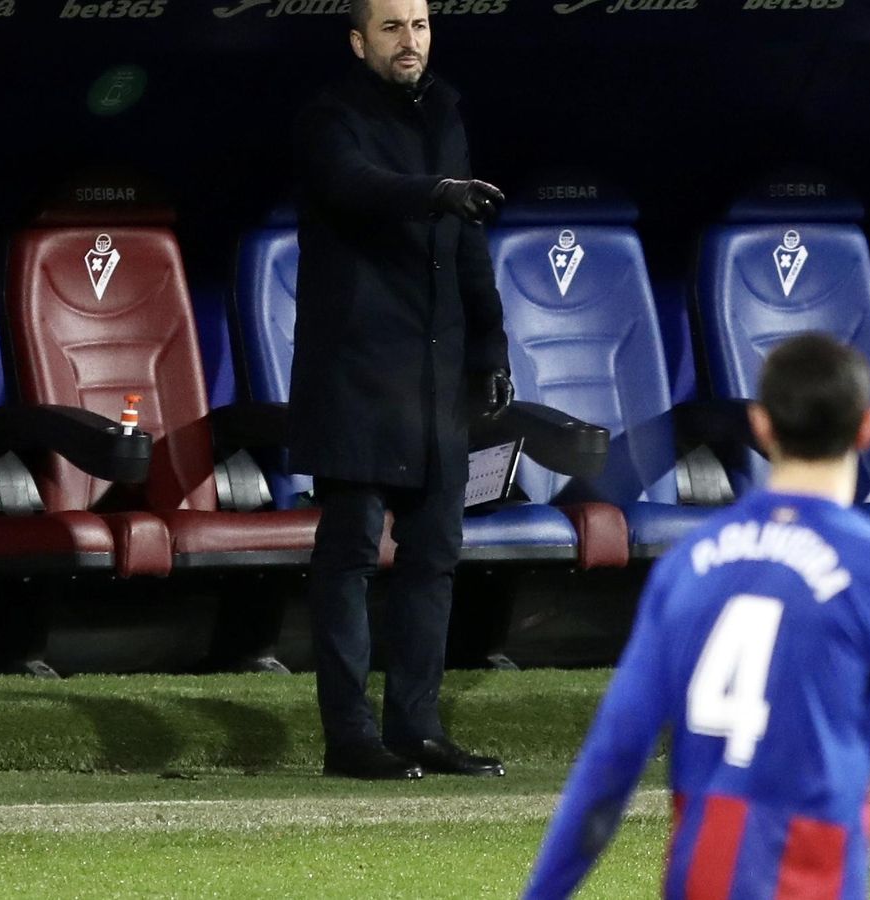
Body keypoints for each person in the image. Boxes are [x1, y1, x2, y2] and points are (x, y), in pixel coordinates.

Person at [523, 335, 870, 899]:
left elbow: (613, 755)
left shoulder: (688, 564)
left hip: (697, 876)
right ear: (867, 429)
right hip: (809, 875)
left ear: (760, 426)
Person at [288, 0, 512, 779]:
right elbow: (354, 186)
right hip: (357, 370)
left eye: (417, 25)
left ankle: (416, 727)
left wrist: (489, 344)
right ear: (359, 42)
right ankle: (350, 736)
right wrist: (436, 192)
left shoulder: (447, 110)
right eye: (390, 27)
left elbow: (467, 240)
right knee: (349, 554)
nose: (408, 40)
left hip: (436, 373)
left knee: (433, 555)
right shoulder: (331, 115)